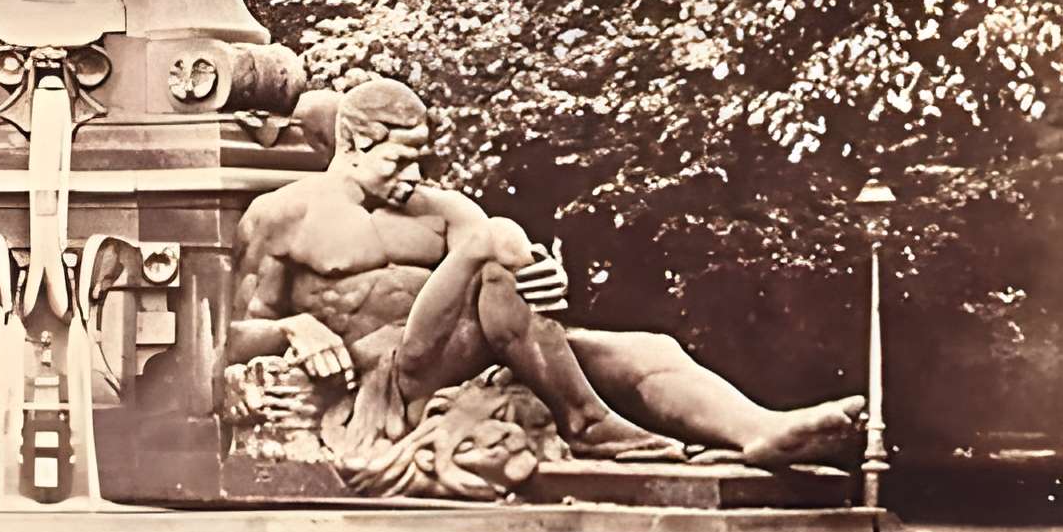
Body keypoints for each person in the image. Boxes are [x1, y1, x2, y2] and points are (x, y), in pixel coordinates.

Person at [227, 78, 866, 485]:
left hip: (470, 362)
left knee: (648, 351)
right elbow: (227, 339)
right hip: (388, 380)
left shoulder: (443, 212)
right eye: (401, 158)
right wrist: (293, 325)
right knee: (492, 239)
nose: (416, 174)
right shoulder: (284, 216)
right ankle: (587, 421)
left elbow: (508, 293)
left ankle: (759, 430)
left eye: (424, 158)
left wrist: (545, 280)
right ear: (355, 145)